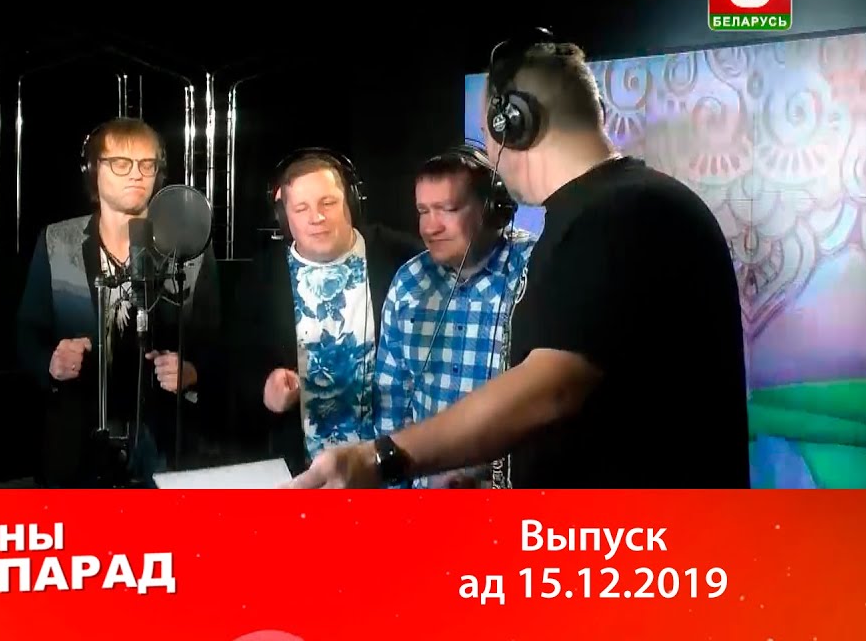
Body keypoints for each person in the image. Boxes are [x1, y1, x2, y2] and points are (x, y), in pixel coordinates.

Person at [289, 31, 750, 489]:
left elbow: (552, 389)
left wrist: (379, 458)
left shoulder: (623, 215)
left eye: (488, 131)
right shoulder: (608, 211)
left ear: (513, 126)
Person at [16, 117, 223, 487]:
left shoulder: (190, 248)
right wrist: (50, 362)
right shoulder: (56, 241)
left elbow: (217, 340)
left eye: (147, 164)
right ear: (93, 170)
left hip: (166, 443)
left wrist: (192, 372)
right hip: (75, 443)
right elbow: (27, 333)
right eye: (121, 163)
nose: (136, 174)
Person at [229, 149, 422, 476]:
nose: (316, 217)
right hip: (305, 473)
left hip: (393, 468)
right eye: (301, 208)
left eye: (328, 203)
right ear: (284, 217)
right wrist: (265, 388)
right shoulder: (259, 278)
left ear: (351, 203)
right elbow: (236, 366)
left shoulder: (402, 258)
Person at [372, 145, 535, 488]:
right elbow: (392, 401)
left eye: (447, 209)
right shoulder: (409, 281)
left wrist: (482, 470)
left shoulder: (535, 271)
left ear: (494, 209)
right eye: (423, 211)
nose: (430, 227)